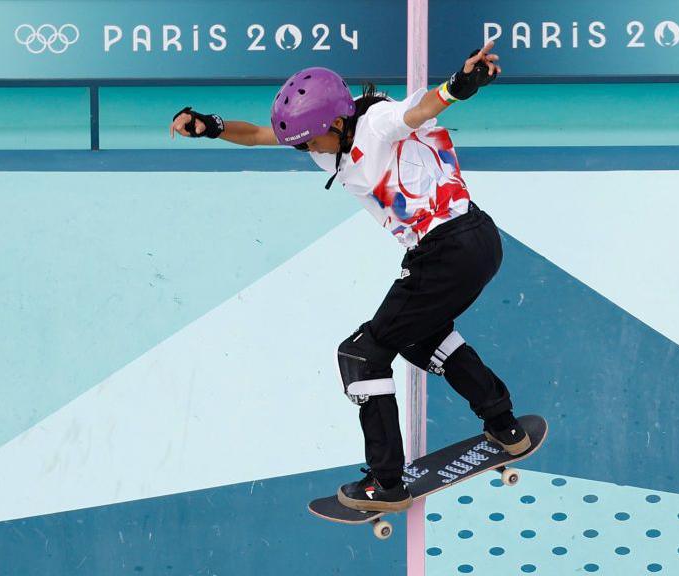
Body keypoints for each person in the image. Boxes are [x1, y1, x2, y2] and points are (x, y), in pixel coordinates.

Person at [170, 41, 530, 513]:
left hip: (449, 249)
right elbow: (259, 134)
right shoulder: (327, 141)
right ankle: (505, 426)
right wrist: (211, 127)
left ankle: (387, 485)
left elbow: (421, 109)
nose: (305, 149)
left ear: (337, 123)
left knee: (361, 356)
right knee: (420, 337)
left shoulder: (378, 123)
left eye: (309, 140)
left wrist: (461, 84)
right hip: (474, 243)